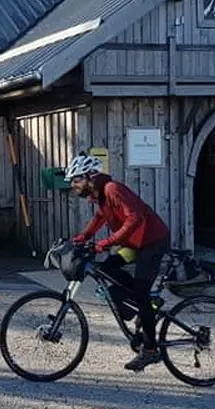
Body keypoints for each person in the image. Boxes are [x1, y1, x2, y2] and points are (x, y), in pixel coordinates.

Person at [64, 153, 172, 371]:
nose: (74, 185)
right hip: (135, 244)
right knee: (106, 270)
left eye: (77, 180)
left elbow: (135, 218)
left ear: (90, 176)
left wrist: (105, 243)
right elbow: (100, 218)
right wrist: (83, 236)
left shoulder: (112, 189)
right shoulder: (100, 195)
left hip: (152, 242)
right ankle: (146, 306)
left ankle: (150, 350)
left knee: (140, 293)